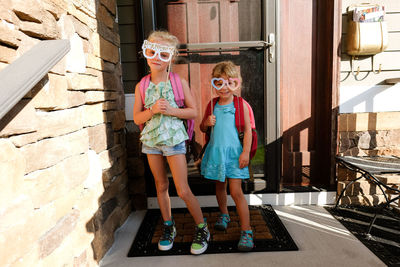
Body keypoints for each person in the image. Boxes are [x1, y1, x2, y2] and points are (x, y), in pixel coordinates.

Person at [133, 30, 210, 255]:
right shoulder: (142, 85)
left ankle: (202, 228)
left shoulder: (178, 82)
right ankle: (168, 226)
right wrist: (152, 110)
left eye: (163, 54)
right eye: (152, 51)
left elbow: (193, 112)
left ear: (171, 57)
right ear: (145, 52)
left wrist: (172, 110)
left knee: (183, 189)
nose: (156, 57)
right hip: (151, 142)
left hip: (174, 141)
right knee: (160, 185)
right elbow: (137, 117)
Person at [200, 61, 254, 251]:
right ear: (213, 84)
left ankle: (246, 231)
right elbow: (202, 128)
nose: (224, 88)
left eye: (229, 83)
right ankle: (224, 213)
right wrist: (206, 122)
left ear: (236, 83)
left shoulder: (241, 104)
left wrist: (246, 152)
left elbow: (248, 131)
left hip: (235, 155)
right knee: (219, 186)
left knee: (236, 191)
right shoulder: (212, 104)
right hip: (216, 153)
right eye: (219, 83)